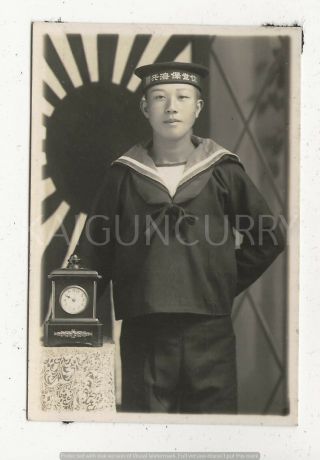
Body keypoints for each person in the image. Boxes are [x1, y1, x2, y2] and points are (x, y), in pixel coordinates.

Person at [77, 61, 285, 414]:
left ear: (197, 107)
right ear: (145, 108)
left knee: (212, 433)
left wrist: (221, 277)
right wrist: (75, 326)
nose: (171, 106)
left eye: (182, 96)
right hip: (145, 331)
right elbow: (94, 253)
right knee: (146, 433)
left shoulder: (223, 170)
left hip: (210, 332)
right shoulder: (124, 175)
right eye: (159, 97)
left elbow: (269, 237)